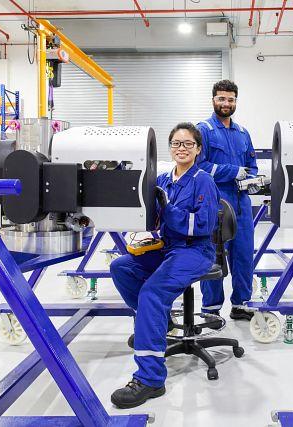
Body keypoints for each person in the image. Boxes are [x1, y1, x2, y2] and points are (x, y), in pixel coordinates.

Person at [110, 122, 220, 409]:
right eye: (176, 143)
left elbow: (203, 224)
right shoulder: (161, 179)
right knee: (122, 267)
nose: (181, 149)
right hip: (167, 247)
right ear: (170, 148)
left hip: (195, 250)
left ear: (198, 149)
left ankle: (150, 379)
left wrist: (168, 210)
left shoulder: (203, 180)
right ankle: (160, 322)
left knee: (152, 294)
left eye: (188, 144)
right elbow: (151, 216)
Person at [197, 79, 258, 321]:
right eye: (221, 98)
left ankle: (241, 303)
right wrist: (233, 172)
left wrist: (251, 178)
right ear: (213, 100)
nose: (226, 103)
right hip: (215, 202)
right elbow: (200, 164)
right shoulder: (203, 130)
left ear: (236, 102)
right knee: (213, 255)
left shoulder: (243, 133)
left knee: (243, 254)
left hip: (242, 201)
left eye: (230, 99)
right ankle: (211, 309)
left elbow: (251, 165)